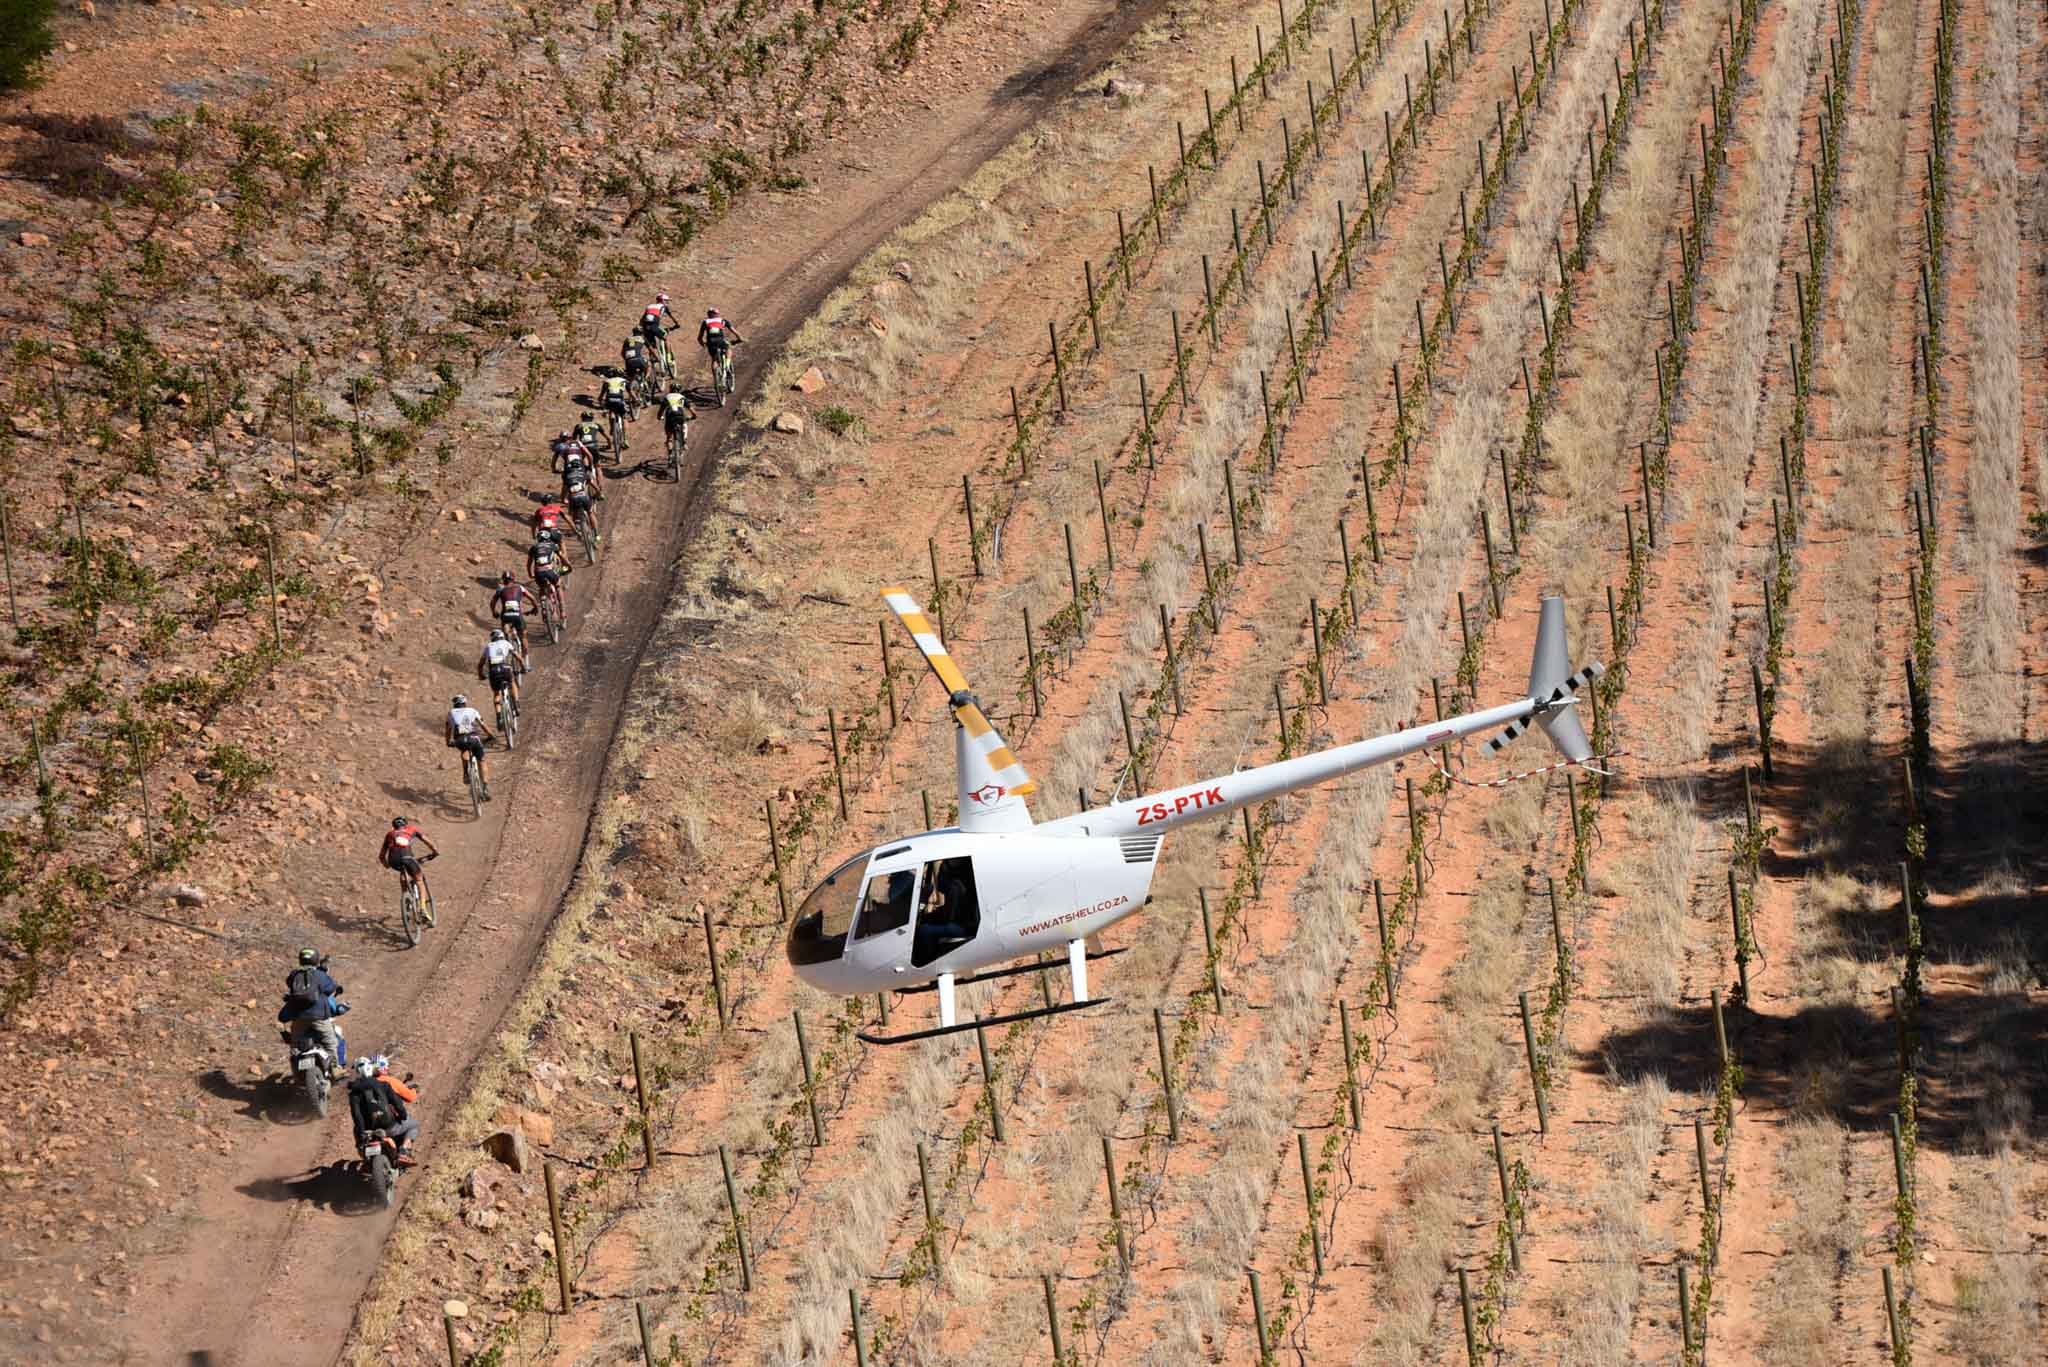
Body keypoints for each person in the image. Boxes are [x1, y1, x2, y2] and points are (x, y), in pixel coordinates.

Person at [276, 948, 347, 1075]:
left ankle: (296, 1070)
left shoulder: (294, 975)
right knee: (331, 1042)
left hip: (298, 1017)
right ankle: (335, 1068)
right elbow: (330, 988)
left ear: (300, 960)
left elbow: (289, 983)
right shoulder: (320, 975)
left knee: (295, 1044)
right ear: (316, 960)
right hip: (318, 1017)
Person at [346, 1055, 420, 1165]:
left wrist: (362, 1133)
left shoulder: (354, 1093)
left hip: (368, 1131)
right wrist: (403, 1115)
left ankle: (365, 1155)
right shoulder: (385, 1084)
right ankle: (404, 1151)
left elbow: (356, 1115)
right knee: (414, 1124)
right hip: (389, 1127)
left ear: (357, 1072)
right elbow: (399, 1103)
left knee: (356, 1130)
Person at [379, 816, 439, 909]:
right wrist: (435, 851)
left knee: (403, 871)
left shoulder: (389, 834)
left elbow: (381, 856)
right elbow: (428, 842)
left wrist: (387, 865)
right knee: (419, 880)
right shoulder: (412, 829)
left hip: (393, 860)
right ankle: (422, 907)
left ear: (393, 827)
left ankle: (406, 898)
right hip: (407, 857)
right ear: (406, 824)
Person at [446, 692, 496, 799]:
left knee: (464, 750)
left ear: (455, 704)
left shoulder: (451, 713)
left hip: (460, 740)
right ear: (465, 703)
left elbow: (448, 730)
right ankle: (485, 787)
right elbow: (482, 725)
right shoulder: (472, 710)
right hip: (473, 738)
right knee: (482, 760)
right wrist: (491, 736)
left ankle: (465, 773)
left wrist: (448, 742)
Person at [476, 628, 527, 719]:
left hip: (493, 671)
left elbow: (480, 664)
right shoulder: (506, 643)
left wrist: (481, 675)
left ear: (492, 638)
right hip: (505, 668)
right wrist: (523, 667)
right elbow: (518, 657)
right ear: (502, 636)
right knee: (512, 683)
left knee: (496, 694)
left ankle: (499, 716)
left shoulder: (488, 646)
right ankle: (517, 705)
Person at [490, 573, 538, 660]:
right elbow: (532, 598)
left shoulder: (500, 589)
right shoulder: (520, 587)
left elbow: (492, 603)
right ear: (513, 579)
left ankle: (508, 644)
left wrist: (494, 612)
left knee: (506, 632)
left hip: (506, 616)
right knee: (523, 637)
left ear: (503, 580)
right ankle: (526, 661)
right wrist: (535, 608)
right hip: (518, 616)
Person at [699, 308, 743, 401]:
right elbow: (734, 332)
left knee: (714, 360)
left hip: (711, 343)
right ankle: (727, 365)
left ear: (708, 314)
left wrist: (703, 344)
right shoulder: (723, 320)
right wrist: (740, 339)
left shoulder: (705, 322)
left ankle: (716, 376)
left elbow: (699, 337)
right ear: (717, 314)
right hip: (721, 341)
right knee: (728, 348)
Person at [528, 527, 571, 606]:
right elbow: (562, 556)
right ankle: (562, 610)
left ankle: (544, 607)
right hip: (549, 570)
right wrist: (567, 564)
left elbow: (529, 564)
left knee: (542, 588)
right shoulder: (552, 544)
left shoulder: (533, 547)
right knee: (558, 585)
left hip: (538, 573)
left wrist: (530, 574)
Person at [598, 367, 633, 438]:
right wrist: (636, 399)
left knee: (611, 411)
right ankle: (625, 438)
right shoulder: (624, 381)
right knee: (624, 417)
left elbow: (601, 396)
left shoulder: (607, 382)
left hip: (609, 399)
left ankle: (612, 428)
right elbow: (631, 393)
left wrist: (601, 402)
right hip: (619, 399)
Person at [658, 386, 691, 455]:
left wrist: (660, 417)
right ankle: (684, 442)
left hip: (670, 418)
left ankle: (670, 454)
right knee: (684, 425)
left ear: (670, 390)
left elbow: (660, 412)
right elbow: (692, 410)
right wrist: (693, 416)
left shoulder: (667, 397)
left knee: (669, 438)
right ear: (679, 390)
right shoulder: (682, 397)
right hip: (680, 416)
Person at [621, 333, 651, 399]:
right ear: (641, 333)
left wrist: (628, 359)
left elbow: (622, 353)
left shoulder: (627, 339)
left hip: (629, 362)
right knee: (649, 365)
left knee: (630, 379)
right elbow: (651, 349)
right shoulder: (642, 338)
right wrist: (657, 358)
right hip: (639, 360)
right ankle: (645, 380)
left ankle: (635, 398)